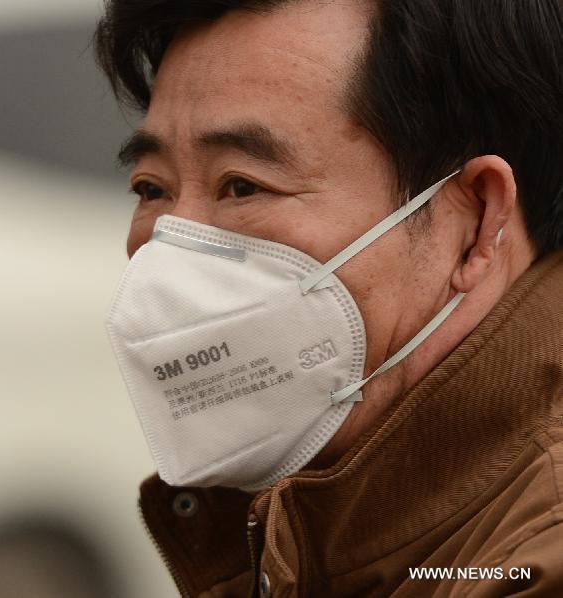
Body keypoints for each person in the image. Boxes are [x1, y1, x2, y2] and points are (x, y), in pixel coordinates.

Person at [96, 1, 563, 596]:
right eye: (152, 188)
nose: (169, 254)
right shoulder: (304, 513)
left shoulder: (536, 562)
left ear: (475, 224)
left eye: (242, 186)